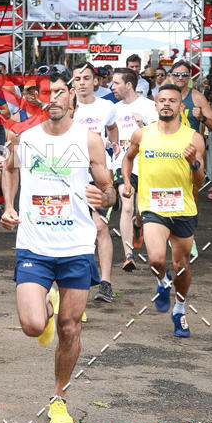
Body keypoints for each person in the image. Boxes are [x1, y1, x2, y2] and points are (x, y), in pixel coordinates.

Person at [0, 70, 116, 423]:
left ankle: (59, 397)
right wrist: (8, 206)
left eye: (59, 92)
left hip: (76, 245)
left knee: (69, 328)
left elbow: (109, 189)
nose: (52, 98)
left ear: (71, 97)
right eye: (44, 92)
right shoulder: (23, 136)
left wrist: (105, 196)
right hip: (34, 243)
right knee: (33, 325)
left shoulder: (89, 140)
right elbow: (9, 169)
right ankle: (45, 309)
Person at [122, 83, 205, 338]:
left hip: (183, 209)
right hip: (152, 206)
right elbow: (128, 158)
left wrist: (194, 164)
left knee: (182, 266)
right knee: (156, 260)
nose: (166, 104)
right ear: (156, 104)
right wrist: (127, 182)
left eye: (172, 100)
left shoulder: (193, 138)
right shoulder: (142, 134)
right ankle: (162, 281)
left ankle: (179, 309)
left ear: (181, 107)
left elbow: (199, 183)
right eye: (162, 100)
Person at [71, 61, 118, 303]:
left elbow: (112, 127)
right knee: (75, 228)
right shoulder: (67, 108)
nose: (81, 83)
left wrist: (114, 148)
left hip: (98, 175)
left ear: (96, 81)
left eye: (86, 78)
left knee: (100, 226)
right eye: (77, 79)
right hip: (70, 176)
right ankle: (74, 282)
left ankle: (105, 283)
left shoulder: (106, 106)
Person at [111, 67, 158, 271]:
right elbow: (109, 134)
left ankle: (138, 224)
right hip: (122, 163)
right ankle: (128, 256)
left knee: (141, 210)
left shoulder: (149, 106)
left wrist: (143, 123)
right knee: (127, 206)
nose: (112, 87)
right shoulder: (113, 109)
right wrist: (110, 143)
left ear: (128, 85)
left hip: (145, 163)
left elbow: (158, 136)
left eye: (116, 83)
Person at [169, 59, 212, 134]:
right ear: (171, 76)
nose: (180, 77)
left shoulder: (197, 97)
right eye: (176, 74)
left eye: (184, 74)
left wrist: (202, 118)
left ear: (190, 76)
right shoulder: (164, 95)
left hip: (192, 141)